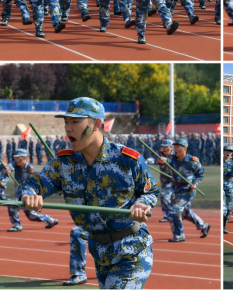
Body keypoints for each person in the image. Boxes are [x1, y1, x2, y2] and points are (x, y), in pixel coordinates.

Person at [16, 97, 159, 289]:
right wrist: (28, 195)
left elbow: (150, 190)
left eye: (75, 122)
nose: (68, 128)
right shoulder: (64, 164)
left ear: (97, 124)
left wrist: (143, 203)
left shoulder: (127, 160)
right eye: (66, 122)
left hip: (132, 250)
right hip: (99, 253)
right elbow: (33, 183)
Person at [158, 137, 210, 242]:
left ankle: (179, 235)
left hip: (187, 190)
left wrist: (195, 183)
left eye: (178, 147)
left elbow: (200, 174)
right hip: (176, 189)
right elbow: (165, 170)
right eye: (175, 147)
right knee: (185, 213)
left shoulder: (192, 161)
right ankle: (203, 225)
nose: (175, 149)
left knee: (173, 209)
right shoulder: (172, 159)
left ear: (184, 148)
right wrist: (162, 163)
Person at [5, 148, 58, 232]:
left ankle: (49, 219)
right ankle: (50, 220)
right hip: (19, 195)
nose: (16, 159)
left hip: (28, 196)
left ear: (24, 158)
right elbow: (11, 166)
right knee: (27, 214)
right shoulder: (16, 166)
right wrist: (8, 168)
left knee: (29, 215)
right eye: (15, 157)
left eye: (18, 157)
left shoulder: (31, 170)